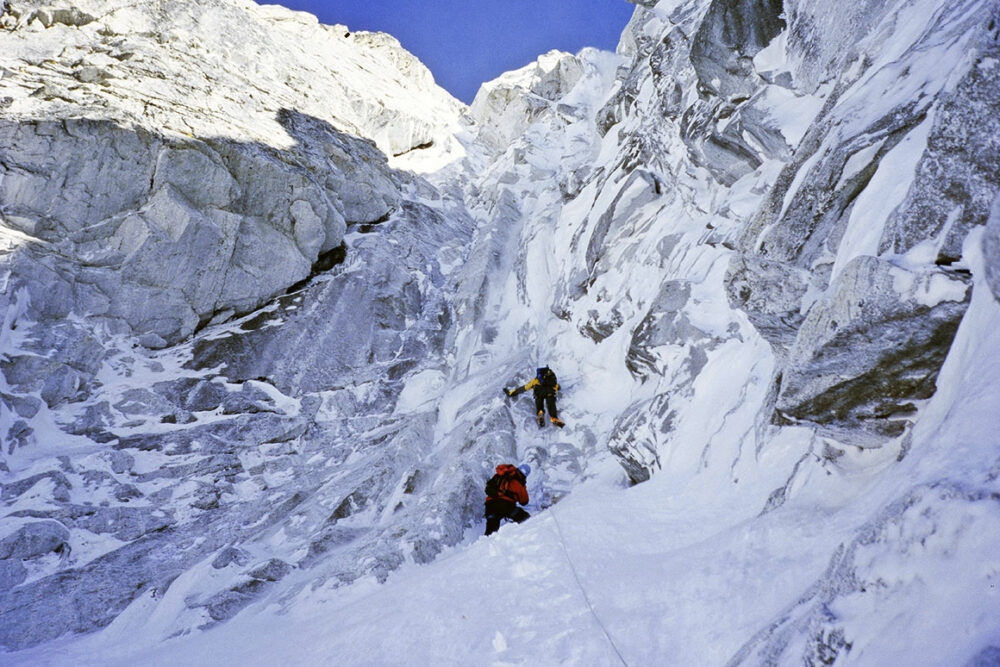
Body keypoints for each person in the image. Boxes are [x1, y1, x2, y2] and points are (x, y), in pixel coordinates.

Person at [484, 463, 531, 535]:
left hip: (490, 505)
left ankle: (485, 544)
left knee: (491, 530)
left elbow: (488, 487)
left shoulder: (499, 475)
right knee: (525, 518)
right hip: (505, 506)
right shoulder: (519, 483)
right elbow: (524, 501)